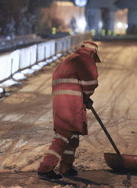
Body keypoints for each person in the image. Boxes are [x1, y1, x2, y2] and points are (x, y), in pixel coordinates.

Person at [37, 41, 101, 180]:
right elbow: (90, 81)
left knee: (72, 135)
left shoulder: (69, 59)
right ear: (92, 53)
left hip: (60, 101)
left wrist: (83, 96)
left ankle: (66, 167)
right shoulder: (85, 59)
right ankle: (45, 168)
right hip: (71, 103)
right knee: (63, 135)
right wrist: (87, 95)